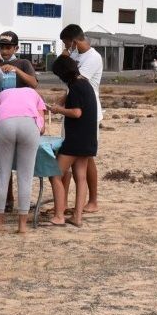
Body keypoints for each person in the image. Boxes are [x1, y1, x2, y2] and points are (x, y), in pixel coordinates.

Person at [0, 86, 46, 234]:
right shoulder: (34, 94)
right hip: (29, 125)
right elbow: (42, 128)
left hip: (5, 124)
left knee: (2, 175)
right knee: (25, 177)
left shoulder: (1, 95)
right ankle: (22, 226)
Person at [46, 56, 97, 227]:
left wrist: (59, 110)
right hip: (88, 138)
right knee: (80, 177)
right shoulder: (85, 83)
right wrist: (60, 103)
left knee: (54, 173)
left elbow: (76, 113)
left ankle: (59, 215)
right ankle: (77, 217)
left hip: (75, 140)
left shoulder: (75, 87)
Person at [59, 24, 102, 215]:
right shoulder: (75, 56)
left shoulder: (92, 58)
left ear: (74, 41)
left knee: (85, 157)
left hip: (87, 113)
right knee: (69, 153)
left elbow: (76, 81)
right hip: (72, 108)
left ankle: (92, 200)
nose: (66, 47)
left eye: (68, 44)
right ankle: (64, 202)